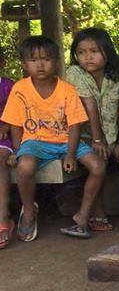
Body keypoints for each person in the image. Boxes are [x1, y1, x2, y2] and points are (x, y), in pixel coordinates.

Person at [0, 36, 106, 240]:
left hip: (66, 140)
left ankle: (82, 216)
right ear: (24, 64)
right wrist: (17, 150)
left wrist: (70, 154)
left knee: (98, 166)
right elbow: (15, 123)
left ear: (57, 62)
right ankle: (29, 210)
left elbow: (74, 124)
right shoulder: (20, 89)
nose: (40, 65)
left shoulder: (67, 90)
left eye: (46, 59)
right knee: (24, 167)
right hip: (34, 141)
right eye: (33, 60)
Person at [65, 27, 119, 230]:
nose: (87, 57)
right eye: (81, 52)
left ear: (107, 52)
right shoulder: (74, 73)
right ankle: (98, 212)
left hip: (112, 137)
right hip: (84, 137)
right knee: (98, 160)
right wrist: (97, 140)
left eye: (94, 51)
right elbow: (90, 106)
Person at [0, 56, 14, 248]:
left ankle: (3, 218)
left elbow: (22, 112)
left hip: (6, 137)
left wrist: (7, 126)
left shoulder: (9, 86)